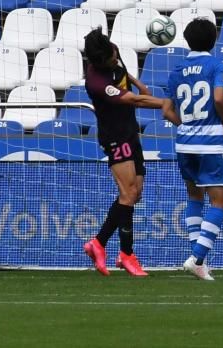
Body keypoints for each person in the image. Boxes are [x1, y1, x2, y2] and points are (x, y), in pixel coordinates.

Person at [81, 28, 174, 277]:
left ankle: (98, 242)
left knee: (135, 193)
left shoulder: (112, 52)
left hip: (130, 133)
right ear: (97, 62)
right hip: (115, 138)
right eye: (109, 60)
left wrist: (138, 82)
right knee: (128, 193)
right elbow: (133, 100)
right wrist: (166, 103)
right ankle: (126, 254)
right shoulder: (97, 83)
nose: (114, 59)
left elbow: (123, 74)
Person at [164, 18, 223, 282]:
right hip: (210, 142)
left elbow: (167, 110)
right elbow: (218, 97)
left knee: (194, 198)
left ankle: (197, 260)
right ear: (213, 40)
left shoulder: (177, 70)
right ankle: (197, 258)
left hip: (184, 143)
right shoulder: (216, 64)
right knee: (219, 201)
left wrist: (186, 124)